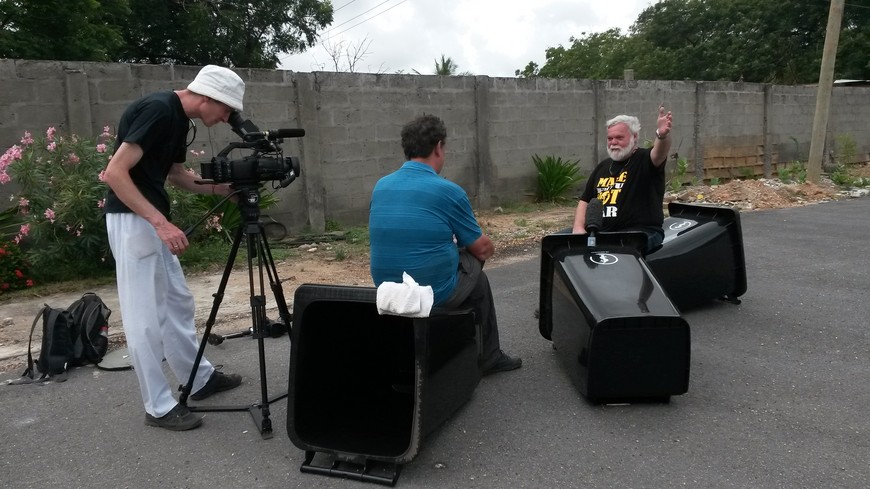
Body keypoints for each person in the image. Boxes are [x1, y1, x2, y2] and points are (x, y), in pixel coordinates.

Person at [103, 65, 246, 431]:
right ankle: (158, 407)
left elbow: (176, 174)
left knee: (177, 302)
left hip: (149, 219)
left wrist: (222, 189)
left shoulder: (180, 119)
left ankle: (199, 378)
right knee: (144, 318)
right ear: (208, 97)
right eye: (227, 109)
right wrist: (160, 222)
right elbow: (115, 172)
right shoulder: (158, 109)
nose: (228, 117)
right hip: (135, 220)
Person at [369, 114, 522, 376]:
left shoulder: (381, 185)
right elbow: (482, 249)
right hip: (430, 294)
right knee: (477, 274)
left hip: (385, 289)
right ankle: (488, 357)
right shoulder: (448, 191)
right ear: (439, 146)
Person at [572, 106, 673, 254]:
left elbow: (660, 153)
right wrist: (578, 228)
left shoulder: (645, 159)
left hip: (639, 234)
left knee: (619, 251)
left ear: (635, 137)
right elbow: (585, 201)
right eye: (610, 138)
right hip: (601, 232)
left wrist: (662, 135)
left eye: (619, 138)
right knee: (557, 244)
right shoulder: (602, 167)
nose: (613, 142)